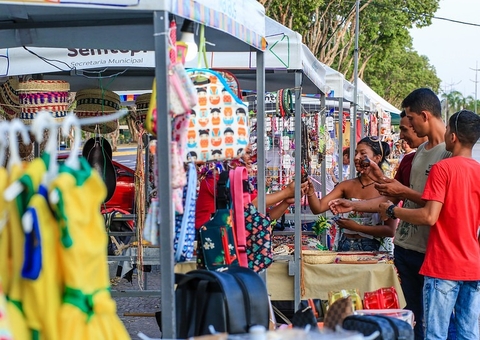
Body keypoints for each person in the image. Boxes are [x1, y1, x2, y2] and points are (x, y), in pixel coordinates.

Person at [329, 88, 452, 340]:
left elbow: (439, 206)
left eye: (409, 120)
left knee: (433, 325)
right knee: (411, 317)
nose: (406, 128)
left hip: (431, 253)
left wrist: (399, 192)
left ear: (425, 115)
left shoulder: (449, 154)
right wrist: (356, 202)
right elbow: (394, 196)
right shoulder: (418, 153)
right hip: (406, 248)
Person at [378, 110, 480, 340]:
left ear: (452, 136)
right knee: (468, 333)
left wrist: (392, 210)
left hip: (443, 266)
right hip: (473, 266)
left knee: (434, 334)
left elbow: (429, 216)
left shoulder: (442, 169)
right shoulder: (478, 171)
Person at [306, 136, 397, 252]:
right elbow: (318, 208)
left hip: (374, 248)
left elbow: (390, 230)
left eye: (362, 153)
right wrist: (310, 191)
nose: (356, 157)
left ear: (377, 158)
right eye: (356, 153)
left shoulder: (386, 188)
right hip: (345, 245)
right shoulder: (346, 185)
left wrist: (358, 228)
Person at [195, 143, 308, 229]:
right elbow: (251, 204)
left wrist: (286, 201)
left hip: (227, 241)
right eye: (248, 153)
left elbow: (266, 215)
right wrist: (286, 192)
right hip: (210, 241)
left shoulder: (240, 179)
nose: (252, 158)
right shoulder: (217, 176)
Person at [394, 110, 428, 188]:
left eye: (404, 130)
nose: (401, 136)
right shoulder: (407, 160)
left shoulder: (445, 156)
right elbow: (393, 193)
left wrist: (404, 192)